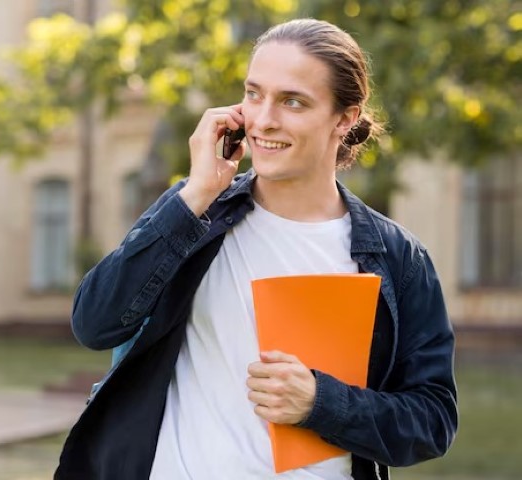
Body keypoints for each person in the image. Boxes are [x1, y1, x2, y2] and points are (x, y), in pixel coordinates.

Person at [55, 18, 457, 480]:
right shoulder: (196, 215)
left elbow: (432, 422)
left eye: (292, 101)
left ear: (344, 118)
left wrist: (320, 402)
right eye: (253, 93)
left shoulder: (397, 258)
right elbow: (95, 323)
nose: (264, 119)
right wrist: (195, 194)